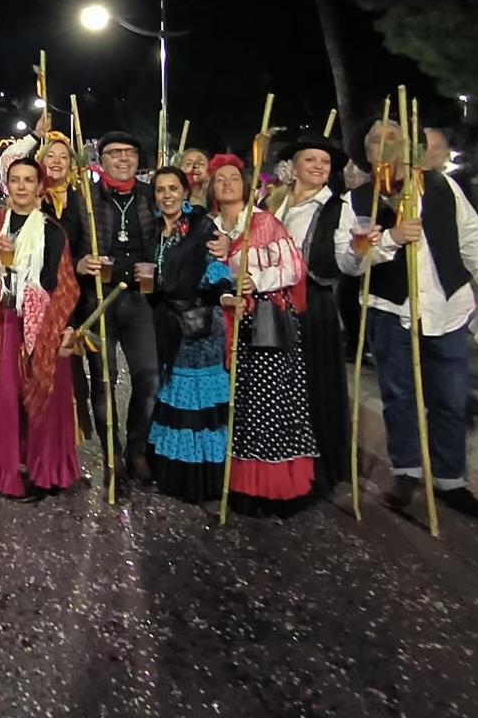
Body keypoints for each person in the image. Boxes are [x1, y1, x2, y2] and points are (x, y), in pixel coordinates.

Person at [350, 122, 478, 521]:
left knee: (450, 400)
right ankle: (407, 472)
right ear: (367, 153)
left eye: (393, 138)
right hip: (391, 312)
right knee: (399, 398)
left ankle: (450, 479)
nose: (384, 145)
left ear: (407, 148)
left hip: (447, 309)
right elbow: (352, 261)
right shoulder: (358, 200)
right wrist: (390, 239)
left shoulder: (441, 187)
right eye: (375, 140)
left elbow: (473, 239)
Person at [209, 153, 318, 515]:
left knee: (268, 407)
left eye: (234, 179)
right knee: (239, 411)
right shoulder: (209, 227)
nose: (227, 184)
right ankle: (242, 484)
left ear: (246, 186)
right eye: (220, 179)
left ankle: (275, 488)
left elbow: (293, 268)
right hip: (225, 328)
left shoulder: (264, 223)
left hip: (264, 326)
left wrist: (256, 281)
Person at [0, 158, 81, 497]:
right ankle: (1, 473)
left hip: (42, 325)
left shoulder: (51, 230)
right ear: (7, 186)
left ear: (39, 187)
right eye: (14, 180)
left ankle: (46, 474)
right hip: (0, 323)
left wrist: (61, 328)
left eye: (28, 180)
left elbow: (66, 284)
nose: (20, 187)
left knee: (44, 400)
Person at [268, 134, 372, 495]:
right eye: (310, 160)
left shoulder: (337, 208)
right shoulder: (276, 205)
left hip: (313, 307)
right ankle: (283, 460)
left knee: (314, 386)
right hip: (273, 306)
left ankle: (319, 467)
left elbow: (347, 262)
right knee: (279, 388)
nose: (318, 167)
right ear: (293, 167)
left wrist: (359, 252)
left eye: (324, 162)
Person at [73, 130, 160, 483]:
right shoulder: (86, 200)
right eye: (115, 153)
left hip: (139, 300)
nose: (123, 159)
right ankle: (112, 457)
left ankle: (136, 448)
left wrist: (156, 266)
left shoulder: (152, 196)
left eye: (130, 153)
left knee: (149, 377)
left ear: (138, 161)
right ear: (101, 159)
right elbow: (69, 245)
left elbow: (170, 234)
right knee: (104, 382)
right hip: (99, 299)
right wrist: (80, 262)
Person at [146, 167, 233, 503]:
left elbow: (216, 266)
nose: (167, 195)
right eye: (160, 189)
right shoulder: (152, 229)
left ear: (185, 191)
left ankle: (202, 479)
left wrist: (224, 292)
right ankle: (172, 473)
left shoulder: (201, 226)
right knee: (171, 395)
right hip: (164, 323)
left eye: (173, 188)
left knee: (197, 401)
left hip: (198, 325)